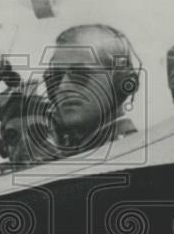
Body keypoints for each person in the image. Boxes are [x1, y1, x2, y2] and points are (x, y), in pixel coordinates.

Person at [43, 24, 139, 157]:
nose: (63, 87)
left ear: (120, 81)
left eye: (79, 74)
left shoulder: (130, 153)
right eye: (56, 77)